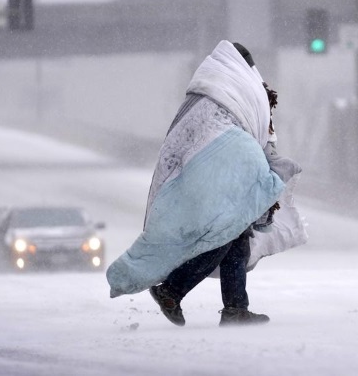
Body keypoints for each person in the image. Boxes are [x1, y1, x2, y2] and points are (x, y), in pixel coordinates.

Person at [106, 40, 305, 326]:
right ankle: (172, 290)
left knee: (236, 236)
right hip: (216, 173)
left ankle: (235, 308)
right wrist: (267, 170)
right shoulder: (241, 90)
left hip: (198, 173)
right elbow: (253, 133)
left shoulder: (206, 92)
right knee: (224, 234)